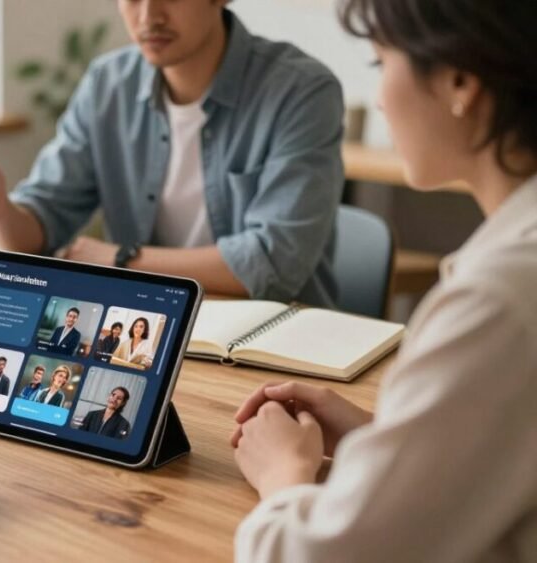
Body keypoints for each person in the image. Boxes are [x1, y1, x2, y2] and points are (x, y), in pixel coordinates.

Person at [230, 1, 537, 561]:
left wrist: (282, 476)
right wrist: (388, 438)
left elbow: (324, 555)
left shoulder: (499, 297)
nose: (378, 100)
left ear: (460, 82)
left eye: (379, 66)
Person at [0, 0, 345, 307]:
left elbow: (271, 264)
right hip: (148, 333)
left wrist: (120, 260)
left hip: (273, 344)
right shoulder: (109, 83)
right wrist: (1, 211)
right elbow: (37, 231)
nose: (148, 16)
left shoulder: (301, 91)